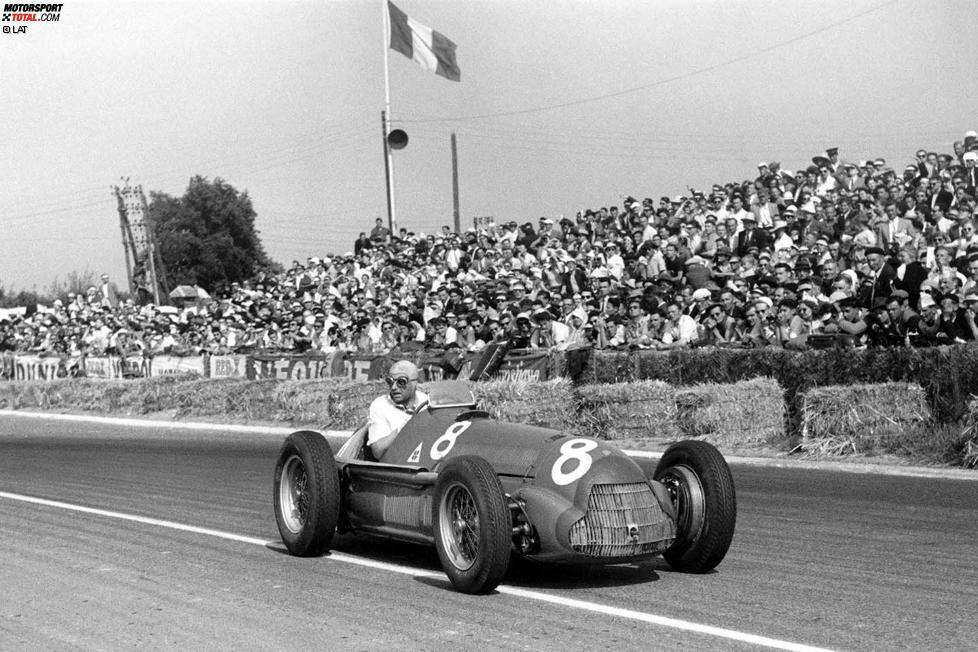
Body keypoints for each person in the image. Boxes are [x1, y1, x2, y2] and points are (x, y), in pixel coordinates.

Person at [366, 360, 428, 460]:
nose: (394, 387)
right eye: (390, 381)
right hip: (397, 464)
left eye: (401, 382)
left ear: (415, 383)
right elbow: (377, 451)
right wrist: (403, 428)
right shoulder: (380, 405)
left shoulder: (426, 401)